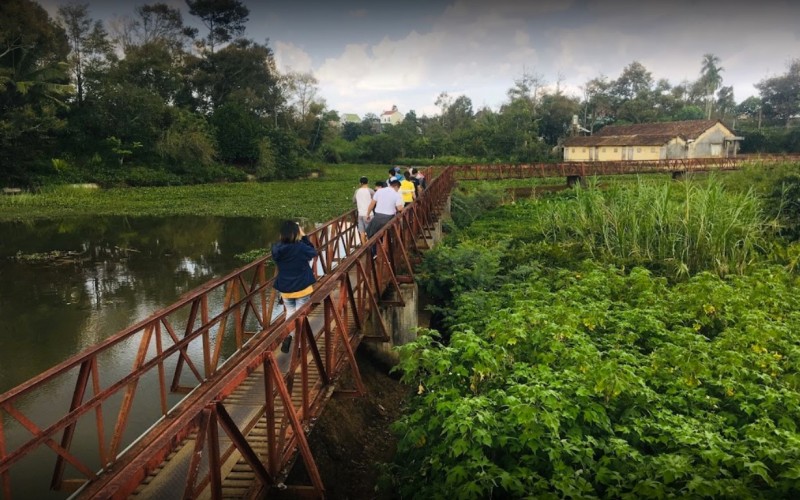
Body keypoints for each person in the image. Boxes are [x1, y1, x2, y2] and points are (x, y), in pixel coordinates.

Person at [272, 220, 317, 353]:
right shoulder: (301, 247)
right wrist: (303, 236)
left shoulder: (276, 248)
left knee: (291, 313)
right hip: (302, 288)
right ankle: (298, 346)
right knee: (301, 317)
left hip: (285, 289)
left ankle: (288, 336)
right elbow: (313, 252)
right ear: (296, 233)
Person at [352, 176, 374, 245]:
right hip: (368, 214)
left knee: (362, 232)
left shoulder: (357, 191)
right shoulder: (370, 191)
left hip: (360, 214)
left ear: (360, 183)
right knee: (369, 232)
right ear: (367, 182)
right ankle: (370, 247)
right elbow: (375, 199)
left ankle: (364, 246)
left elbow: (354, 201)